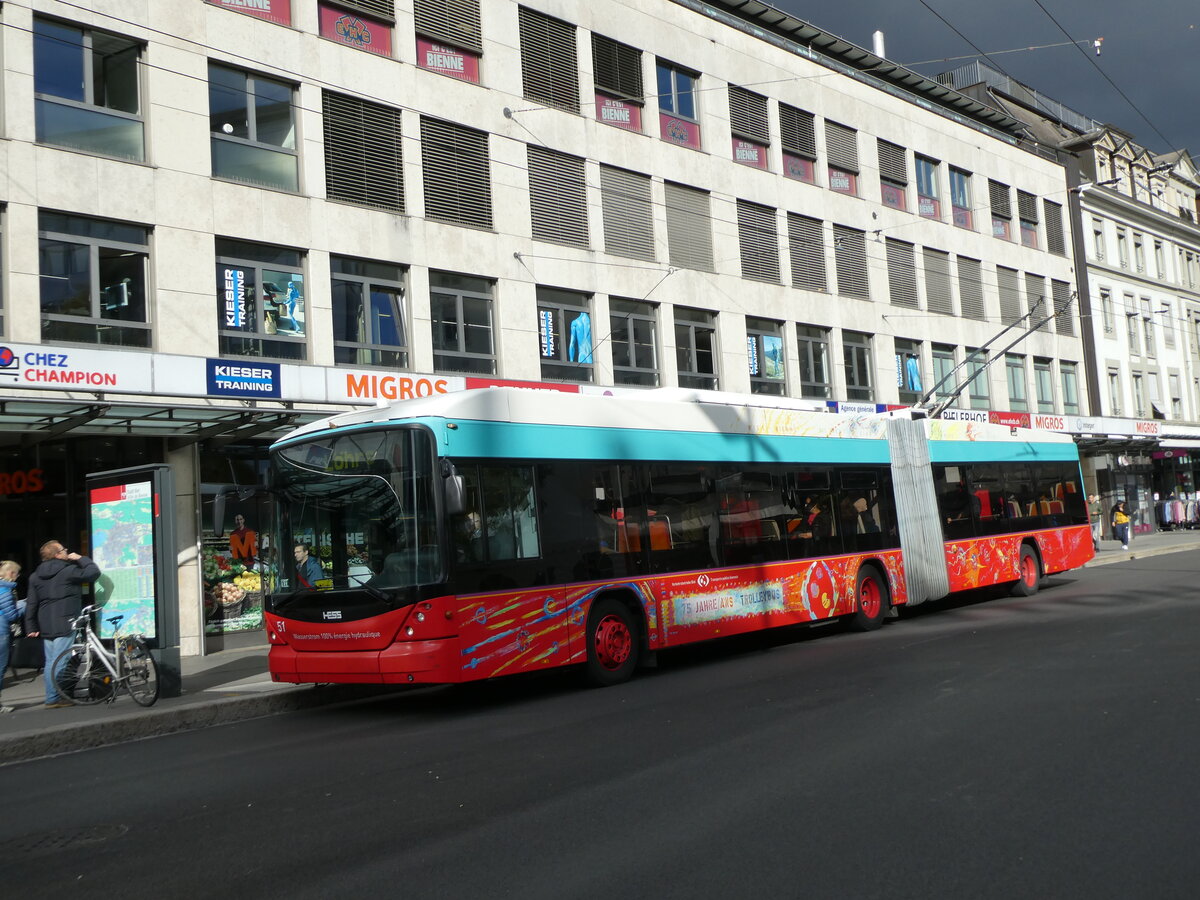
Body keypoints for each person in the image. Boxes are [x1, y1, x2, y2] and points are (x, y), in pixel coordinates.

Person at [23, 540, 101, 709]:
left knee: (51, 661)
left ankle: (52, 696)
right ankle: (53, 698)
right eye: (64, 550)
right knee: (60, 661)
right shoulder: (68, 571)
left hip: (45, 623)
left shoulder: (35, 576)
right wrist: (81, 558)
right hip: (65, 621)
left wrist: (30, 626)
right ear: (57, 554)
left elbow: (31, 603)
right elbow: (93, 572)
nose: (67, 551)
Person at [0, 560, 22, 714]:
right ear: (11, 574)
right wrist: (24, 607)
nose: (18, 576)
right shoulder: (5, 590)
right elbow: (11, 615)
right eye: (17, 573)